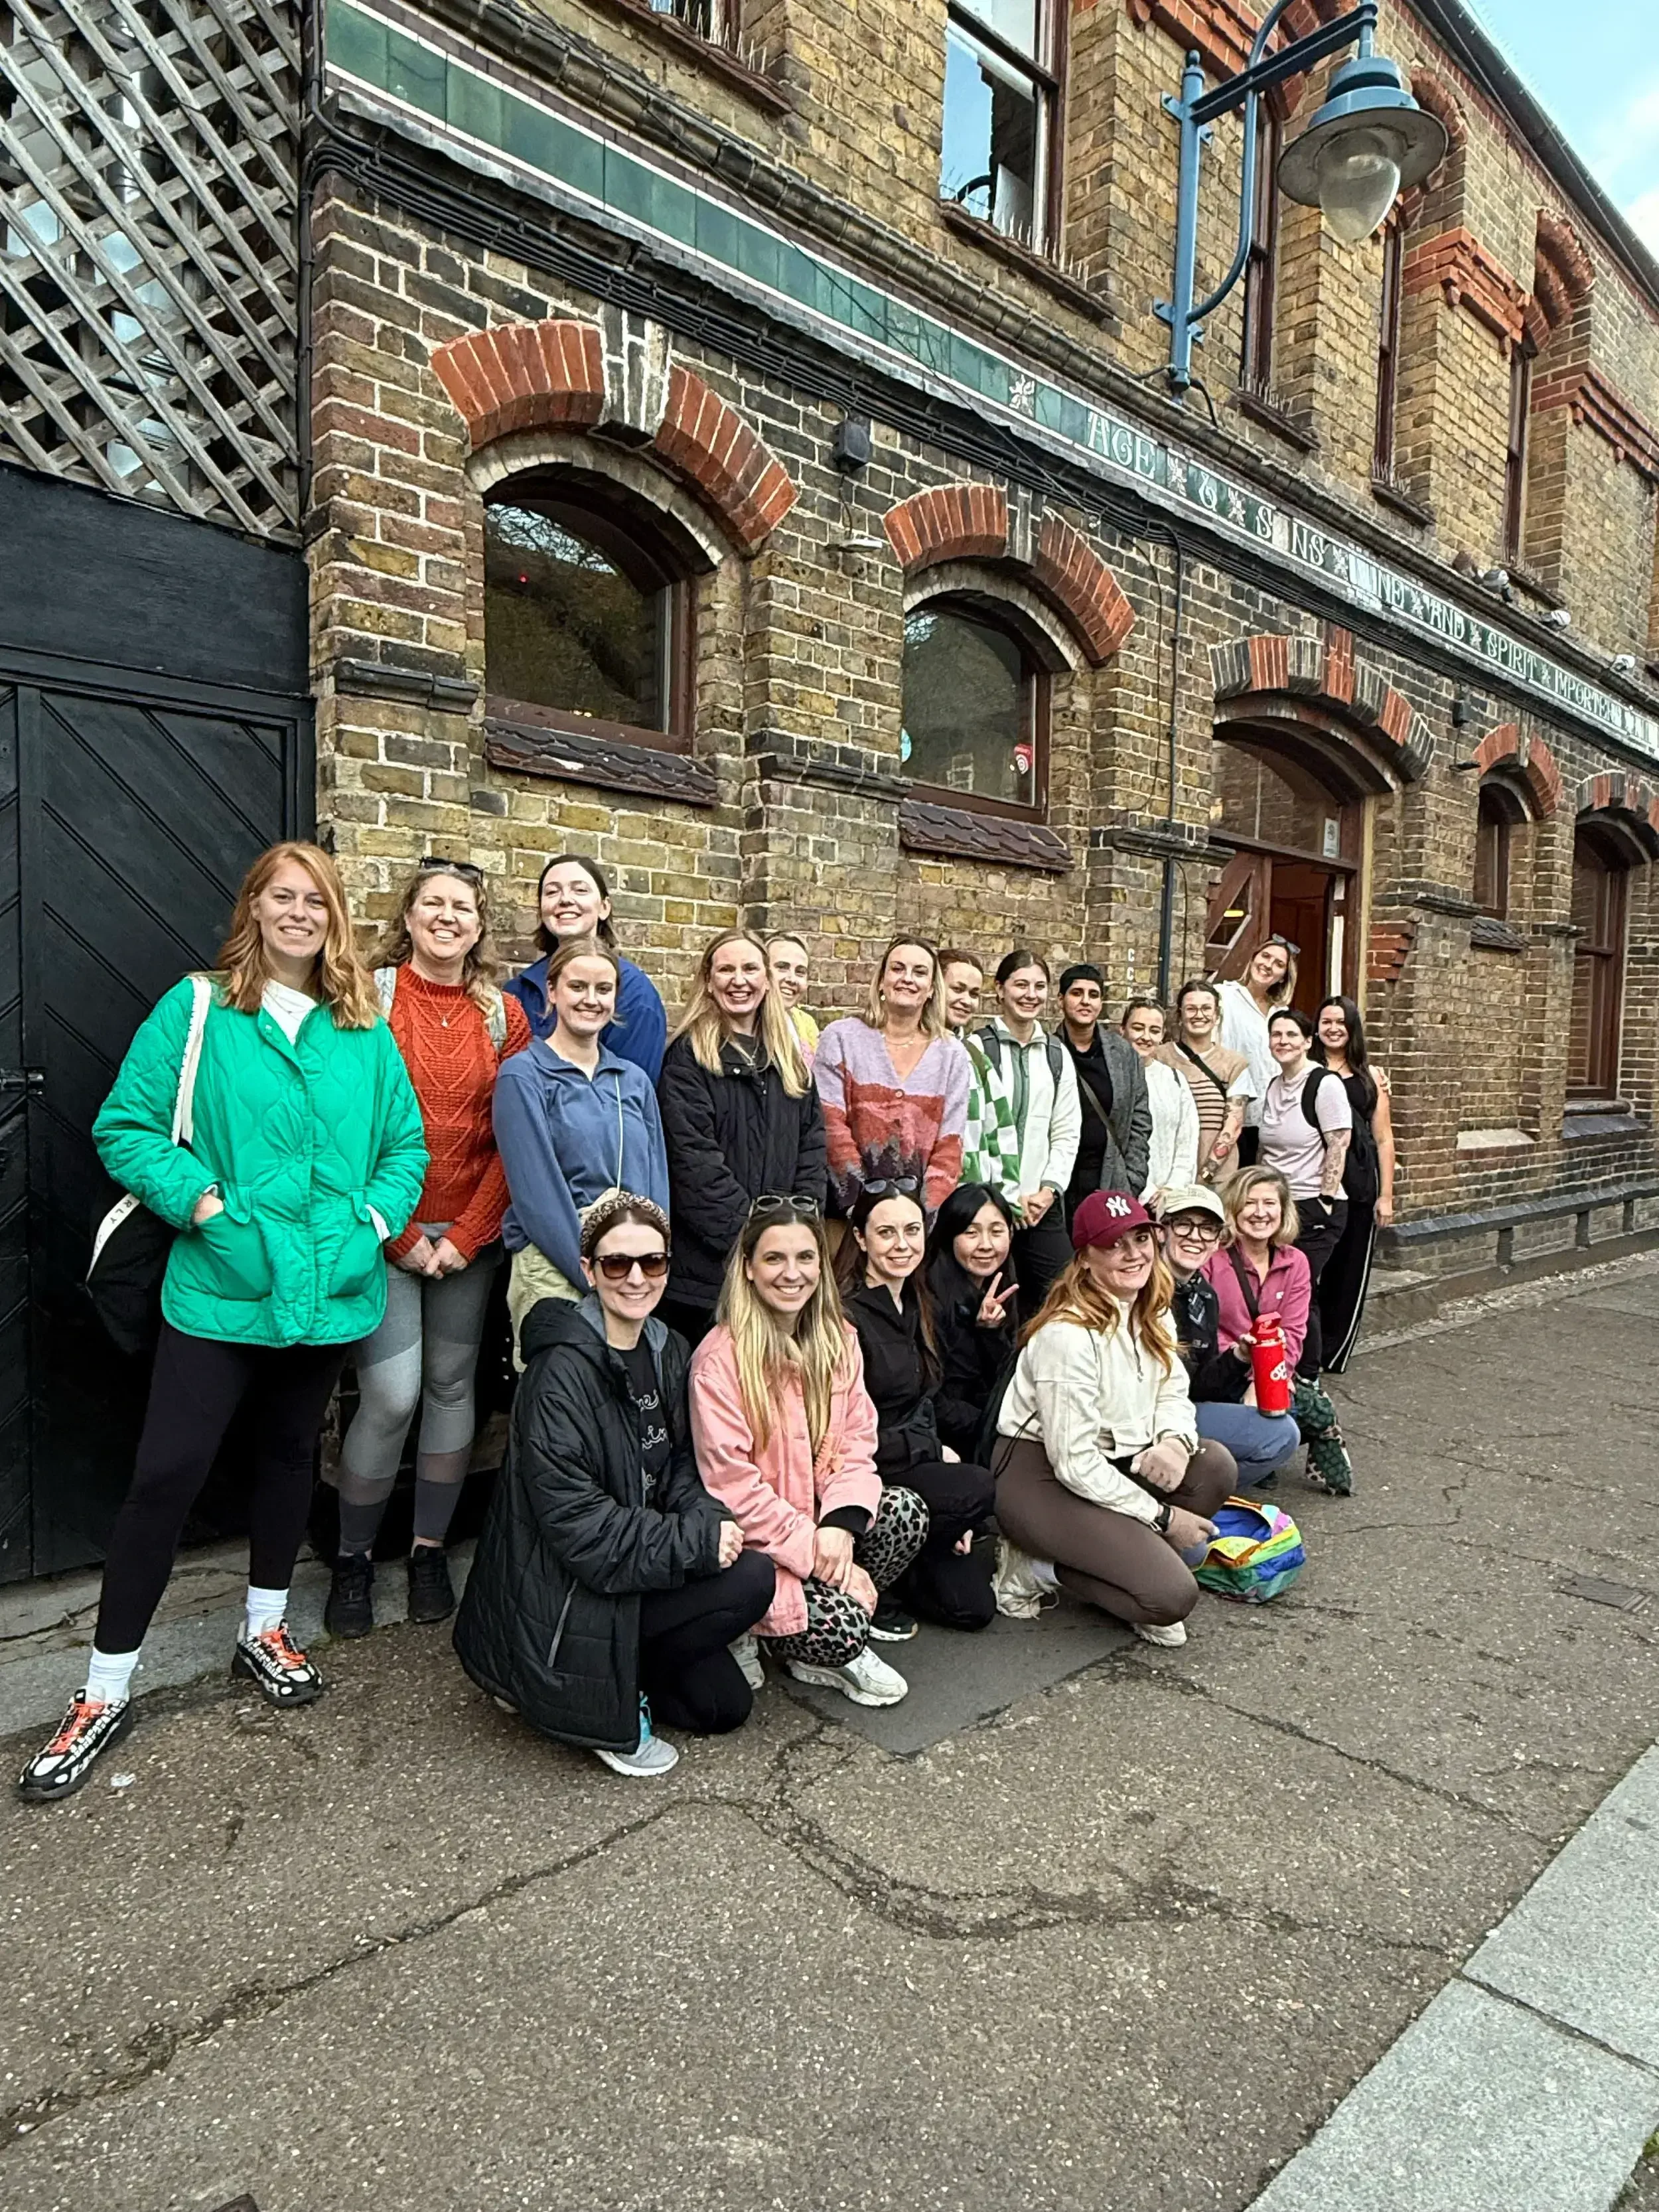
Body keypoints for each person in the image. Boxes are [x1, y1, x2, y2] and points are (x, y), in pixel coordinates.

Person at [20, 843, 427, 1803]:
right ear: (255, 908)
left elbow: (403, 1145)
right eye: (282, 897)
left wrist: (372, 1221)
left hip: (328, 1292)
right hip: (219, 1288)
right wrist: (204, 1206)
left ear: (335, 916)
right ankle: (102, 1687)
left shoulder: (362, 1027)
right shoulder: (200, 1006)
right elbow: (125, 1127)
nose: (299, 914)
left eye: (315, 900)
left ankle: (266, 1622)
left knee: (291, 1458)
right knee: (167, 1473)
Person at [453, 1194, 775, 1779]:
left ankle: (626, 1673)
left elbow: (681, 1463)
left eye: (651, 1262)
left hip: (635, 1564)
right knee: (748, 1576)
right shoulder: (558, 1375)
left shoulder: (667, 1348)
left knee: (726, 1706)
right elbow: (582, 1530)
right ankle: (565, 1690)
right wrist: (692, 1544)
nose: (635, 1278)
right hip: (571, 1588)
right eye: (615, 1264)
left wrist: (705, 1519)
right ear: (587, 1270)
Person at [328, 859, 532, 1638]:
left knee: (453, 1389)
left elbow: (510, 1141)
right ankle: (352, 1557)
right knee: (392, 1395)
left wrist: (469, 1236)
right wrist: (405, 1237)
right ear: (408, 917)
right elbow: (350, 1129)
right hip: (387, 1234)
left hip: (468, 1239)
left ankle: (427, 1550)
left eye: (464, 908)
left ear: (480, 927)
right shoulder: (369, 1000)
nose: (448, 917)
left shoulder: (501, 1016)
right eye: (433, 905)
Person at [689, 1197, 928, 1708]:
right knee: (844, 1628)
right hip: (756, 1551)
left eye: (805, 1257)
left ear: (822, 1265)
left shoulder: (839, 1339)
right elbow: (733, 1488)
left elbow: (857, 1442)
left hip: (819, 1525)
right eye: (774, 1259)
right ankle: (752, 1629)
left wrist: (840, 1525)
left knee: (906, 1512)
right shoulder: (720, 1359)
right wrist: (818, 1551)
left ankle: (810, 1647)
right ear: (749, 1269)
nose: (791, 1273)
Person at [991, 1191, 1232, 1647]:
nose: (1134, 1253)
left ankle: (1122, 1559)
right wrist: (1163, 1518)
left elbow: (1173, 1388)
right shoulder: (1067, 1335)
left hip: (1115, 1459)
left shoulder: (1153, 1306)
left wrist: (1176, 1442)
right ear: (1084, 1259)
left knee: (1214, 1466)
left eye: (1141, 1238)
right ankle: (1036, 1568)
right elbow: (1075, 1463)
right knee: (1172, 1596)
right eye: (1114, 1244)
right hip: (1040, 1475)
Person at [493, 935, 669, 1357]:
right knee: (564, 1396)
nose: (591, 1000)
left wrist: (648, 1260)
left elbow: (657, 1180)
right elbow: (538, 1197)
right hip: (557, 1265)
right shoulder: (523, 1077)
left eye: (603, 989)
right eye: (577, 987)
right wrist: (594, 1271)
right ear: (552, 992)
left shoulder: (633, 1080)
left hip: (630, 1266)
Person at [838, 1183, 997, 1637]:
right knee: (977, 1486)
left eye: (912, 1229)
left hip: (915, 1455)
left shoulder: (916, 1299)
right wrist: (935, 1454)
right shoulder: (847, 1316)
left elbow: (925, 1397)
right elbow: (851, 1428)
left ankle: (919, 1552)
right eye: (885, 1232)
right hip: (874, 1466)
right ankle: (875, 1578)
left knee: (973, 1609)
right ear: (861, 1238)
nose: (901, 1243)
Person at [657, 929, 826, 1345]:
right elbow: (695, 1164)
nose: (739, 980)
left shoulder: (790, 1059)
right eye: (726, 970)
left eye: (750, 968)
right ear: (709, 981)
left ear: (767, 979)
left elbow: (813, 1151)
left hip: (779, 1272)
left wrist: (795, 1236)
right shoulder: (689, 1057)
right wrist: (757, 1242)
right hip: (709, 1275)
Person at [1202, 1167, 1352, 1495]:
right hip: (1222, 1369)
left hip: (1272, 1371)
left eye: (1269, 1203)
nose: (1260, 1213)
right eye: (1249, 1203)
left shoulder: (1296, 1261)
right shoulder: (1212, 1260)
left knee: (1314, 1410)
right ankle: (1232, 1474)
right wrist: (1247, 1369)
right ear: (1233, 1208)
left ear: (1283, 1210)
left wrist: (1265, 1378)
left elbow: (1295, 1332)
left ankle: (1269, 1460)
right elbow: (1209, 1331)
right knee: (1253, 1417)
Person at [1157, 1185, 1299, 1489]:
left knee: (1284, 1430)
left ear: (1217, 1240)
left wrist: (1239, 1358)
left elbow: (1202, 1385)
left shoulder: (1204, 1295)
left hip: (1186, 1406)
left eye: (1208, 1229)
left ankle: (1197, 1494)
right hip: (1145, 1414)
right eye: (1183, 1224)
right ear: (1161, 1231)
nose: (1195, 1237)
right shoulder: (1144, 1287)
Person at [814, 936, 968, 1218]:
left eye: (920, 972)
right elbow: (831, 1127)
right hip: (847, 1216)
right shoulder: (841, 1038)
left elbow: (950, 1145)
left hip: (918, 1224)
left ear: (933, 988)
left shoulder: (951, 1053)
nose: (907, 979)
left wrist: (921, 1217)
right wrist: (867, 1210)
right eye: (898, 969)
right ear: (882, 981)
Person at [976, 950, 1084, 1309]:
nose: (1030, 995)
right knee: (995, 1306)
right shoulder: (977, 1048)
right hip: (988, 1204)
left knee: (1065, 1297)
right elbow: (974, 1132)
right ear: (1000, 989)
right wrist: (1005, 1193)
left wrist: (1050, 1189)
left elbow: (1067, 1130)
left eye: (1039, 987)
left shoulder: (1057, 1054)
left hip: (1042, 1205)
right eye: (1021, 985)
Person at [503, 853, 666, 1081]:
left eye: (580, 890)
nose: (565, 899)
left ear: (604, 907)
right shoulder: (517, 992)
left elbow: (629, 1096)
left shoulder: (635, 992)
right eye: (552, 892)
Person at [1258, 1007, 1351, 1378]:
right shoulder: (1274, 1085)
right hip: (1279, 1206)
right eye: (1276, 1035)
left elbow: (1338, 1144)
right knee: (1277, 1287)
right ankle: (1279, 1364)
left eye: (1292, 1035)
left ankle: (1307, 1373)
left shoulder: (1324, 1084)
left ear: (1308, 1042)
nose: (1283, 1041)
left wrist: (1325, 1201)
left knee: (1300, 1289)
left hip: (1314, 1204)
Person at [1311, 994, 1396, 1373]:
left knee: (1349, 1271)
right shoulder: (1305, 1068)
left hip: (1360, 1181)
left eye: (1340, 1023)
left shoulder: (1371, 1077)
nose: (1332, 1028)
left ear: (1352, 1030)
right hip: (1315, 1179)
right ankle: (1306, 1349)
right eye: (1326, 1021)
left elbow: (1384, 1138)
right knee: (1314, 1268)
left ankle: (1334, 1351)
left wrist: (1387, 1196)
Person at [926, 1182, 1021, 1463]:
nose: (986, 1245)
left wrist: (990, 1332)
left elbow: (1006, 1378)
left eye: (996, 1231)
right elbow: (934, 1399)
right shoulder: (930, 1295)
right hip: (949, 1438)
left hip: (988, 1424)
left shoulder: (1005, 1286)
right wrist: (992, 1424)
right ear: (949, 1236)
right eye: (971, 1233)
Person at [1056, 963, 1151, 1218]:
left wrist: (1133, 1177)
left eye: (1094, 995)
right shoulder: (1048, 1051)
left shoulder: (1123, 1054)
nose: (1086, 1001)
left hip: (1111, 1175)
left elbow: (1140, 1118)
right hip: (1060, 1180)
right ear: (1061, 1000)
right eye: (1077, 993)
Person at [940, 948, 1021, 1193]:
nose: (967, 1000)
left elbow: (1000, 1134)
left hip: (971, 1200)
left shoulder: (975, 1057)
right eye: (957, 989)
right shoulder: (908, 1053)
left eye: (974, 993)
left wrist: (1006, 1200)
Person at [1161, 980, 1256, 1187]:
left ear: (1217, 1015)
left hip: (1218, 1179)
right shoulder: (1161, 1057)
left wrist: (1204, 1176)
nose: (1199, 1015)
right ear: (1179, 1015)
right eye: (1191, 1009)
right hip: (1165, 1176)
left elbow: (1233, 1126)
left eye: (1206, 1008)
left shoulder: (1234, 1064)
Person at [1218, 937, 1298, 1165]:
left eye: (1279, 964)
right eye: (1265, 956)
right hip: (1230, 1109)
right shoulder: (1224, 996)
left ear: (1284, 976)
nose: (1268, 965)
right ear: (1253, 958)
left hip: (1272, 1117)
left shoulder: (1281, 1012)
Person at [1119, 997, 1199, 1207]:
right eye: (1138, 1028)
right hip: (1126, 1194)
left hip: (1170, 1199)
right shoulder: (1113, 1078)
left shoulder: (1175, 1079)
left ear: (1162, 1035)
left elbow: (1187, 1141)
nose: (1146, 1037)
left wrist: (1173, 1189)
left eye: (1154, 1030)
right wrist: (1147, 1191)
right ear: (1123, 1030)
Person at [764, 932, 820, 1063]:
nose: (792, 979)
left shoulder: (806, 1024)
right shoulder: (745, 1022)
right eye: (782, 968)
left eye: (800, 972)